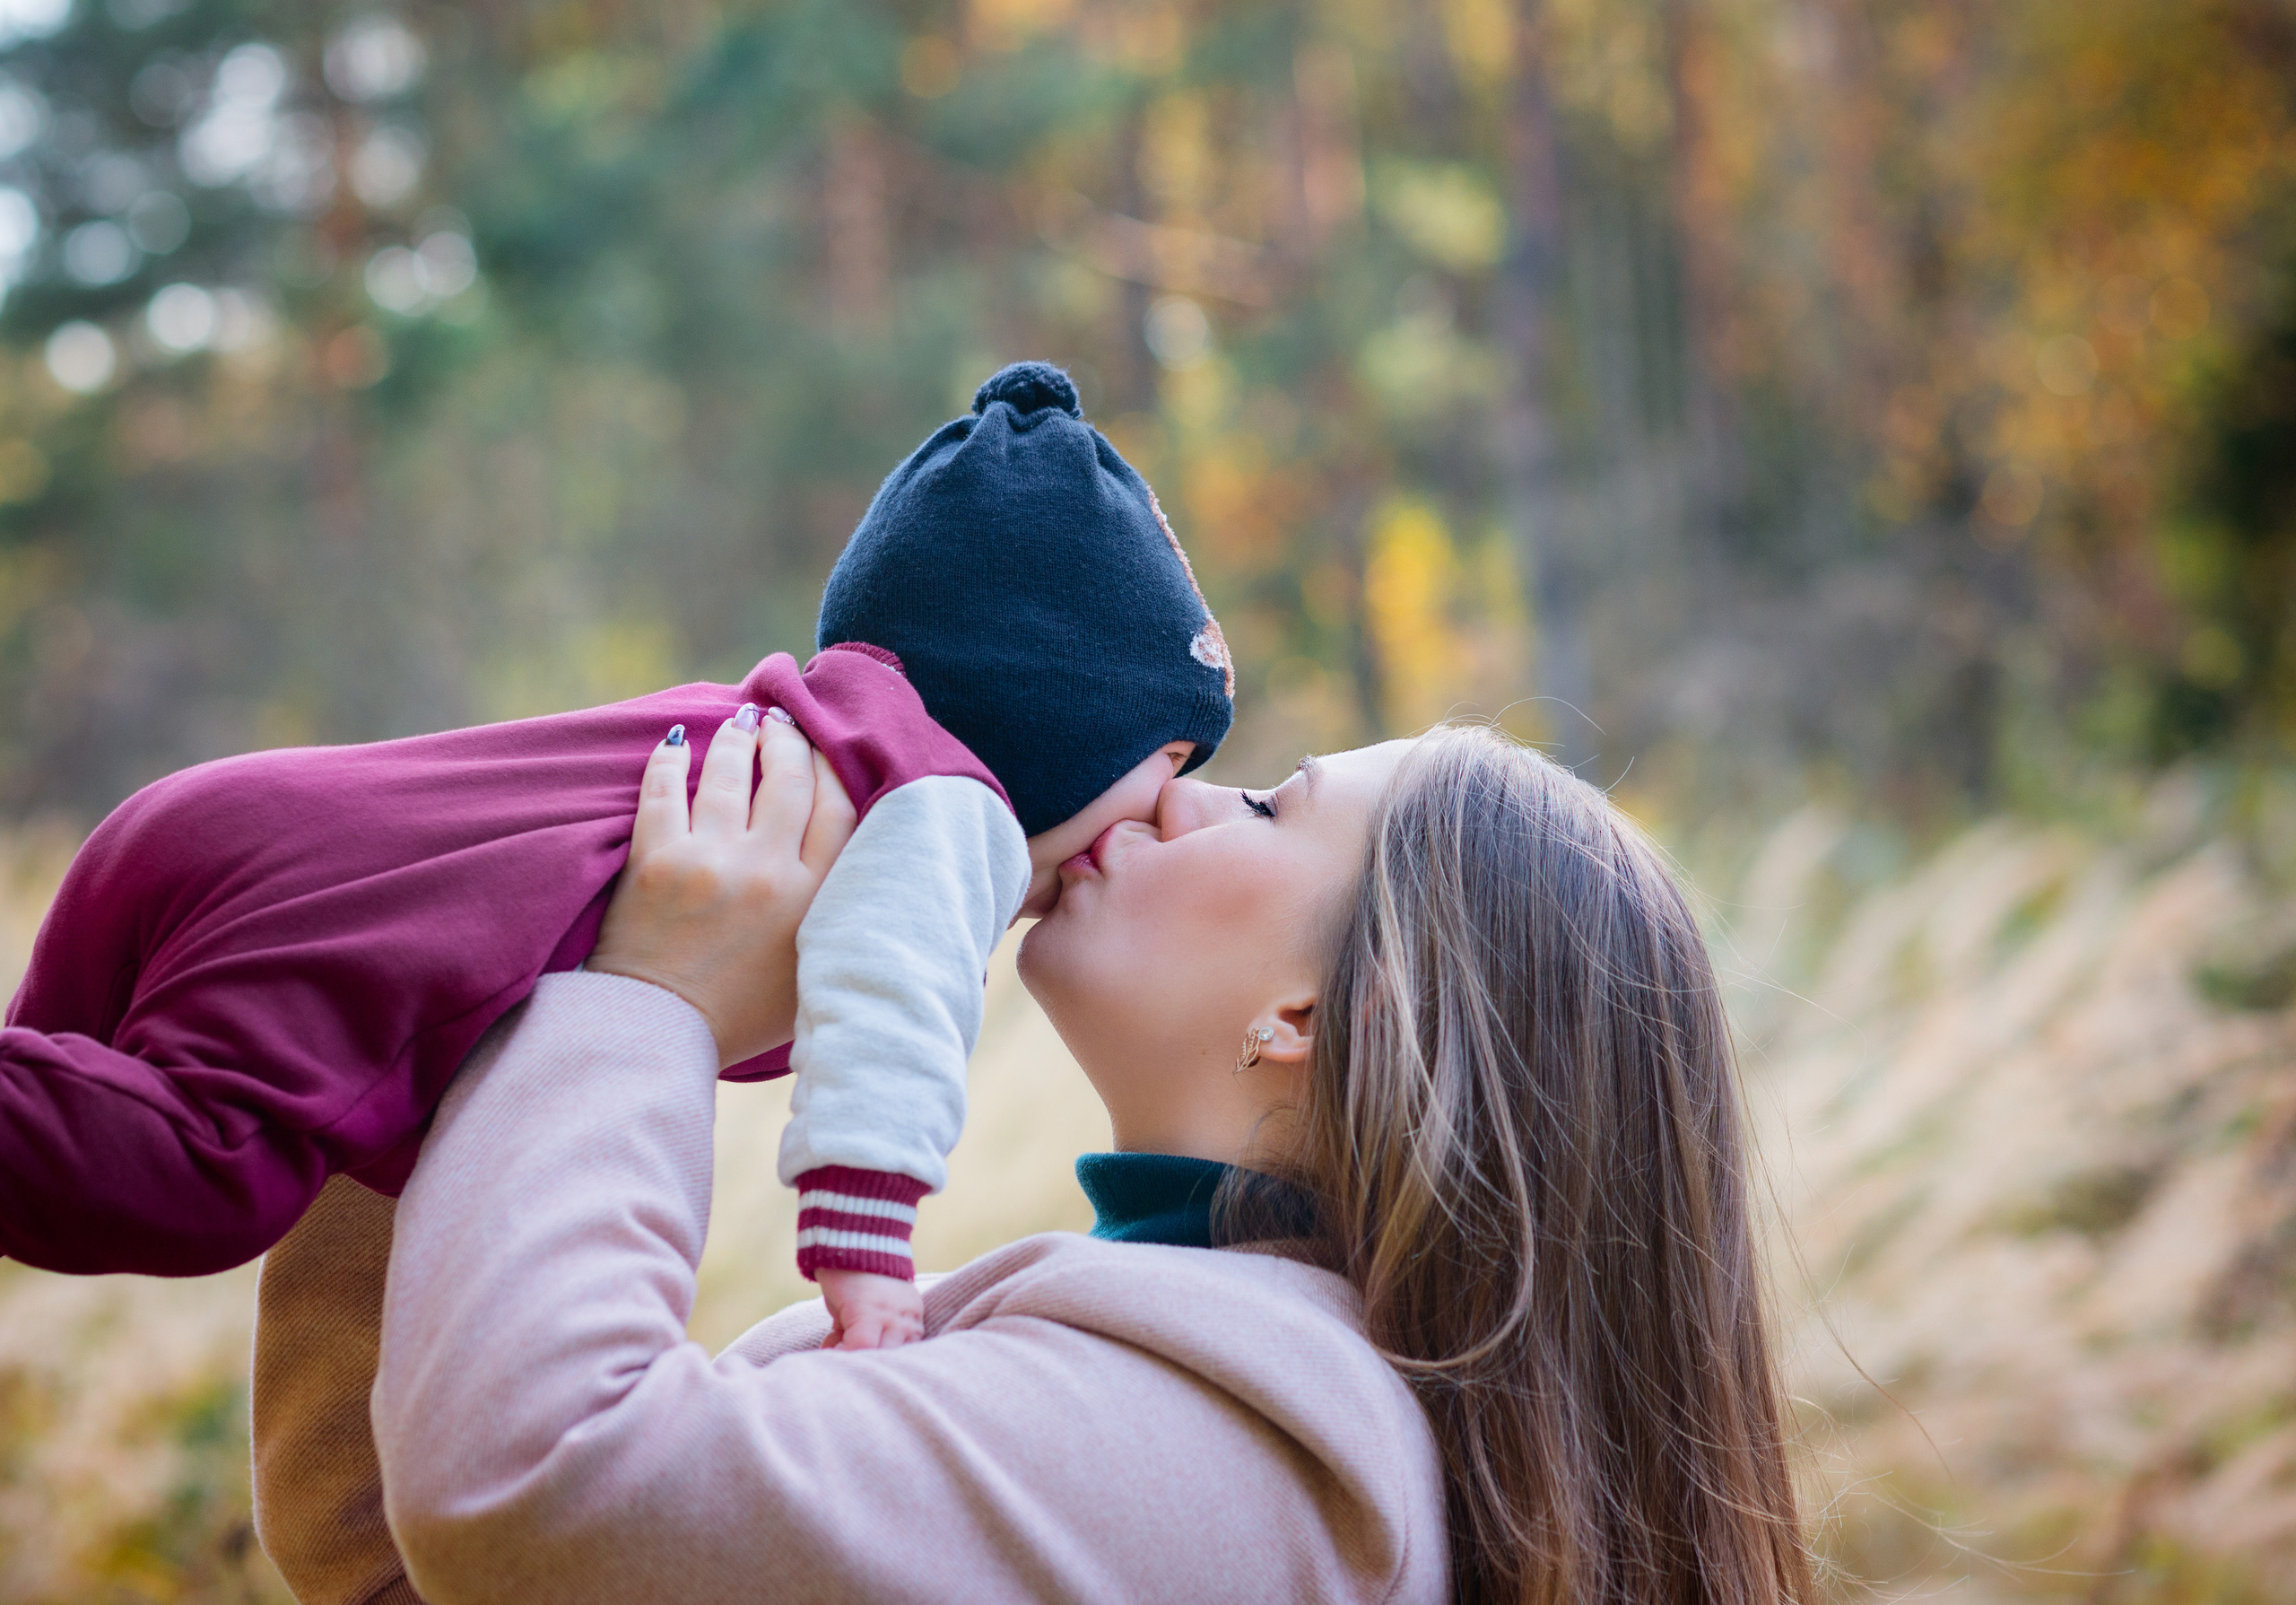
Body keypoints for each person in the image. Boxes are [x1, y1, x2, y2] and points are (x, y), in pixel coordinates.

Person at [251, 712, 1813, 1605]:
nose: (1178, 793)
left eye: (1270, 805)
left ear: (1322, 1011)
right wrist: (458, 1024)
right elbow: (409, 1558)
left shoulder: (1256, 1455)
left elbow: (534, 1485)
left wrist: (646, 998)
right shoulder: (1183, 1394)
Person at [0, 361, 1233, 1348]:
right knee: (203, 1173)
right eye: (1170, 757)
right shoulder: (947, 800)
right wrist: (865, 1240)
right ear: (1056, 715)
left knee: (60, 1113)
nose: (1172, 807)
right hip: (345, 923)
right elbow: (896, 1005)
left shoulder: (799, 729)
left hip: (223, 825)